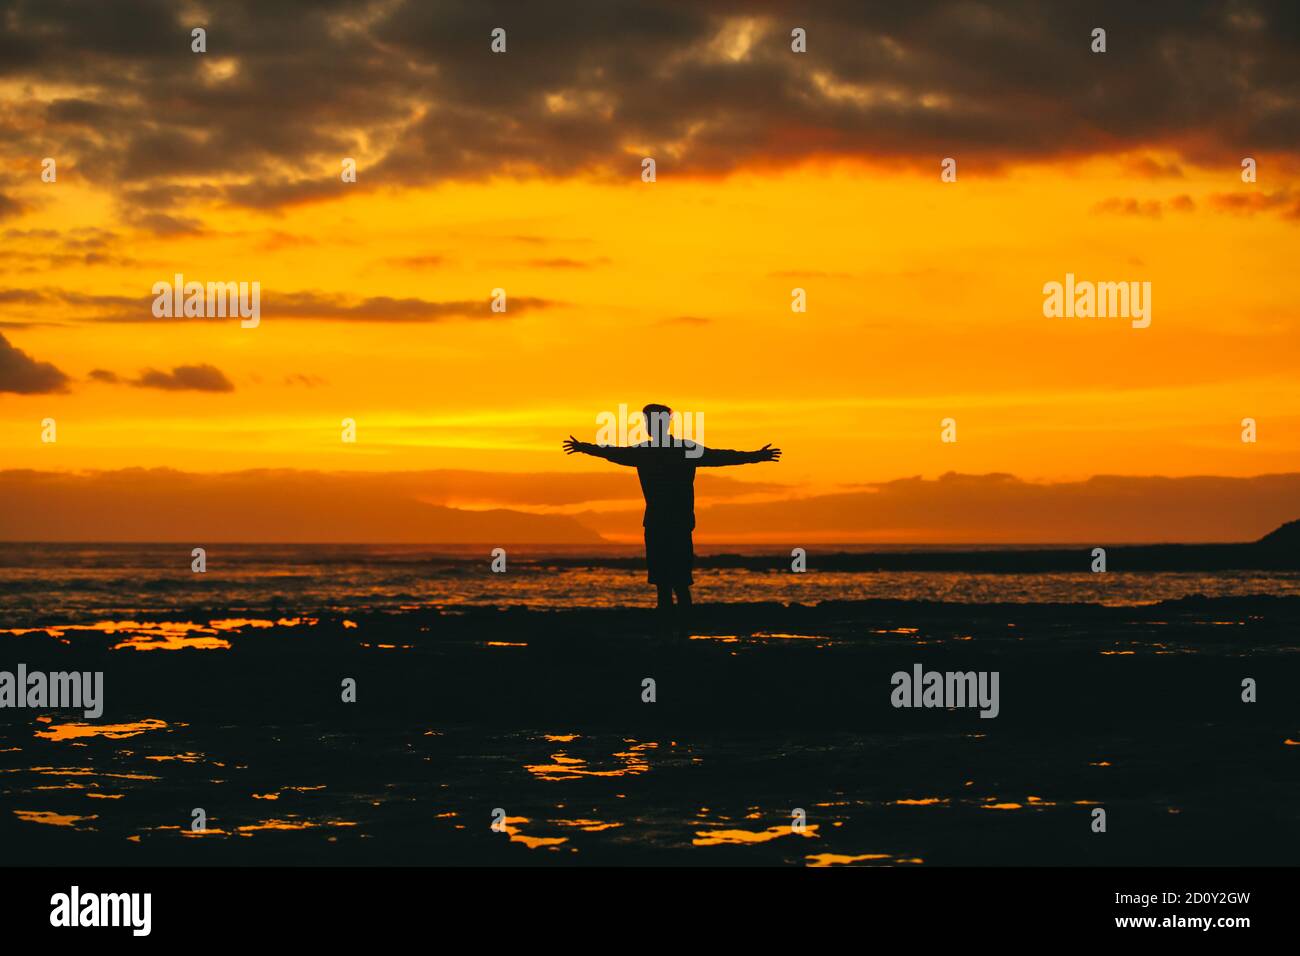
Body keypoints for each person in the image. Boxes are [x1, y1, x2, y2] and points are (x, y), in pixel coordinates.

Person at [563, 404, 781, 635]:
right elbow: (719, 456)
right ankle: (677, 629)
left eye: (650, 422)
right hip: (672, 523)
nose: (648, 426)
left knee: (669, 581)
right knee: (674, 580)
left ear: (661, 424)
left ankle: (674, 629)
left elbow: (612, 452)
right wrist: (755, 457)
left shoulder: (657, 451)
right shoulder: (672, 450)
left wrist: (755, 456)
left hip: (665, 523)